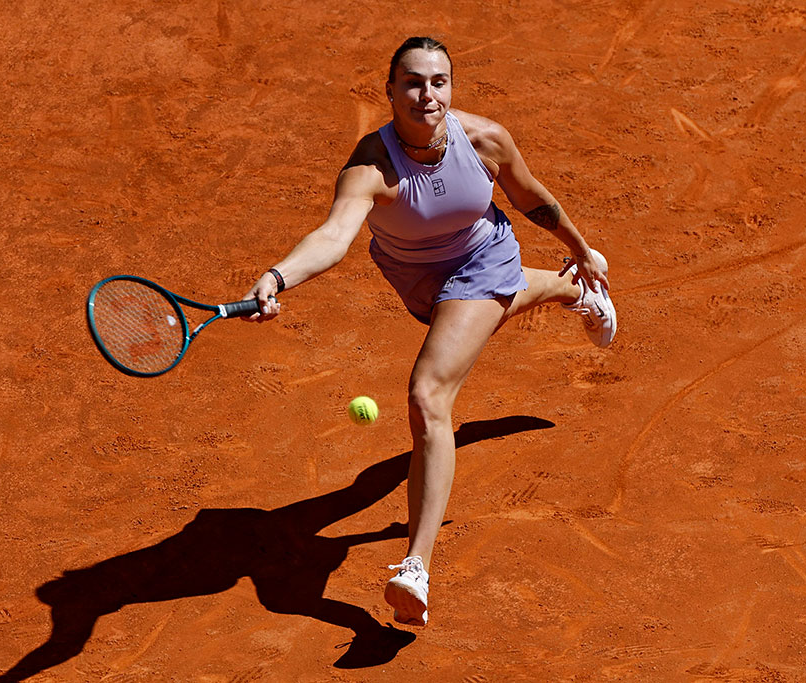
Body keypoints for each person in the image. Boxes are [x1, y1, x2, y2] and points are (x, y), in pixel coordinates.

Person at [244, 36, 616, 628]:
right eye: (413, 83)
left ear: (451, 87)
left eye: (438, 82)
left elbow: (529, 197)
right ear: (391, 92)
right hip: (415, 275)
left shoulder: (485, 139)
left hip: (483, 256)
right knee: (483, 311)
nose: (427, 95)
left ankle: (415, 566)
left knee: (428, 396)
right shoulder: (371, 165)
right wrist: (277, 276)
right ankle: (572, 290)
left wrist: (580, 246)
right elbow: (334, 236)